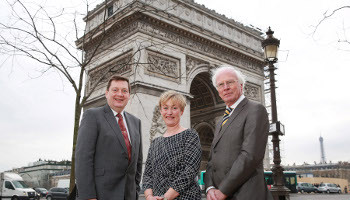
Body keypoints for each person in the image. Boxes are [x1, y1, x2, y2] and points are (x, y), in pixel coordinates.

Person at [204, 65, 272, 200]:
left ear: (241, 85)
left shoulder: (255, 110)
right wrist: (210, 187)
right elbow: (212, 160)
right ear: (217, 91)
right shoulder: (221, 122)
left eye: (230, 82)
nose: (225, 87)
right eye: (221, 85)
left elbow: (250, 156)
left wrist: (223, 190)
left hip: (246, 194)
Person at [75, 75, 143, 200]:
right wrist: (88, 196)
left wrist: (136, 191)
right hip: (101, 195)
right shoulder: (92, 116)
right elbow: (83, 159)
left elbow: (138, 162)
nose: (120, 94)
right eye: (115, 90)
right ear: (107, 93)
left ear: (129, 95)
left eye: (124, 91)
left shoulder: (136, 122)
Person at [142, 90, 202, 200]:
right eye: (165, 108)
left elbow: (190, 170)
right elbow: (147, 175)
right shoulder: (155, 143)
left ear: (182, 111)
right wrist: (149, 196)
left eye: (174, 108)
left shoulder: (190, 135)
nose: (169, 112)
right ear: (160, 111)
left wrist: (166, 197)